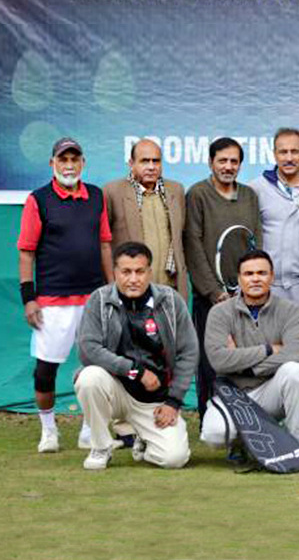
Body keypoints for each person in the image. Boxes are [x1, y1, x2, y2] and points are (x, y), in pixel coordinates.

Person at [18, 137, 113, 453]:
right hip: (52, 301)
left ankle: (89, 430)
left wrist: (112, 291)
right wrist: (29, 298)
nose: (69, 165)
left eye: (74, 159)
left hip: (93, 299)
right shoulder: (38, 200)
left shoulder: (96, 196)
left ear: (83, 163)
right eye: (63, 159)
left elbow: (105, 245)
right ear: (52, 164)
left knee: (96, 368)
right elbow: (26, 252)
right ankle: (48, 431)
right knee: (45, 371)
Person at [74, 242, 197, 470]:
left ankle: (144, 438)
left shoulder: (171, 301)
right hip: (115, 392)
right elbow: (88, 349)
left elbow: (189, 352)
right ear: (115, 272)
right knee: (89, 378)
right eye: (126, 272)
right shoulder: (99, 300)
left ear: (150, 272)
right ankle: (101, 447)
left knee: (174, 459)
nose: (133, 279)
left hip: (154, 400)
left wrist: (173, 402)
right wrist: (136, 371)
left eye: (140, 271)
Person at [200, 250, 299, 453]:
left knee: (295, 372)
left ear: (272, 277)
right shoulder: (219, 312)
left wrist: (247, 368)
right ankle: (241, 446)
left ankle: (298, 446)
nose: (255, 279)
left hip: (272, 391)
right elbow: (218, 360)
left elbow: (295, 353)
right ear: (239, 279)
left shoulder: (289, 310)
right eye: (248, 274)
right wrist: (269, 349)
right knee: (214, 435)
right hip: (233, 394)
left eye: (262, 273)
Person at [184, 136, 262, 418]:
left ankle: (243, 421)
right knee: (211, 362)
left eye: (234, 161)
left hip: (245, 297)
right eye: (222, 161)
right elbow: (193, 244)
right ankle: (210, 421)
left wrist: (251, 286)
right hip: (211, 299)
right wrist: (214, 292)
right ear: (210, 162)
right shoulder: (197, 194)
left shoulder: (250, 196)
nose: (228, 166)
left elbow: (256, 242)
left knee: (245, 359)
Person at [253, 128, 299, 321]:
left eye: (294, 152)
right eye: (283, 152)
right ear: (274, 154)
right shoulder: (256, 188)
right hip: (269, 287)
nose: (289, 158)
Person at [104, 138, 188, 297]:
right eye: (144, 161)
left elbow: (181, 237)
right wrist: (111, 284)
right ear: (131, 163)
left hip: (170, 289)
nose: (151, 167)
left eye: (156, 161)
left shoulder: (176, 190)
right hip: (131, 289)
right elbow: (103, 244)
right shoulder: (113, 192)